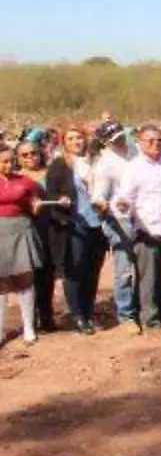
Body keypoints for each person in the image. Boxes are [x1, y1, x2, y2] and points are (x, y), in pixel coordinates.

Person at [113, 125, 161, 335]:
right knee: (148, 280)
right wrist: (122, 205)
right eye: (150, 140)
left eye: (158, 140)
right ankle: (150, 321)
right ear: (140, 143)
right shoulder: (134, 167)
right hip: (147, 231)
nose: (155, 144)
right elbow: (123, 197)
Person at [44, 127, 107, 335]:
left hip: (97, 223)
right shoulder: (59, 165)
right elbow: (50, 193)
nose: (76, 141)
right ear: (64, 142)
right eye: (70, 138)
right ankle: (78, 316)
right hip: (73, 224)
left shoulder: (94, 162)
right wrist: (60, 202)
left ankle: (89, 312)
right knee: (74, 270)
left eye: (79, 137)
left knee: (92, 270)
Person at [1, 144, 59, 348]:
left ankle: (29, 328)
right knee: (1, 284)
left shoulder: (26, 182)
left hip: (22, 230)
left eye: (11, 160)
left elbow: (37, 204)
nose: (9, 165)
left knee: (25, 279)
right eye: (4, 161)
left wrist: (37, 206)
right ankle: (0, 331)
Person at [90, 120, 140, 334]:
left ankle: (145, 309)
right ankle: (126, 314)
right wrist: (102, 204)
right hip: (119, 219)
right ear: (105, 142)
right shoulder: (104, 164)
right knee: (125, 269)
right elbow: (98, 197)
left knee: (145, 265)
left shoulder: (136, 149)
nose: (119, 141)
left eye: (120, 136)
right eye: (113, 140)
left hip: (142, 216)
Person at [15, 139, 54, 332]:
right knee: (29, 275)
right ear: (18, 158)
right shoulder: (15, 177)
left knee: (47, 273)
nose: (30, 157)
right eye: (25, 155)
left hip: (49, 228)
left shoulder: (50, 173)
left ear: (40, 153)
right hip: (24, 230)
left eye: (33, 153)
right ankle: (31, 319)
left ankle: (47, 316)